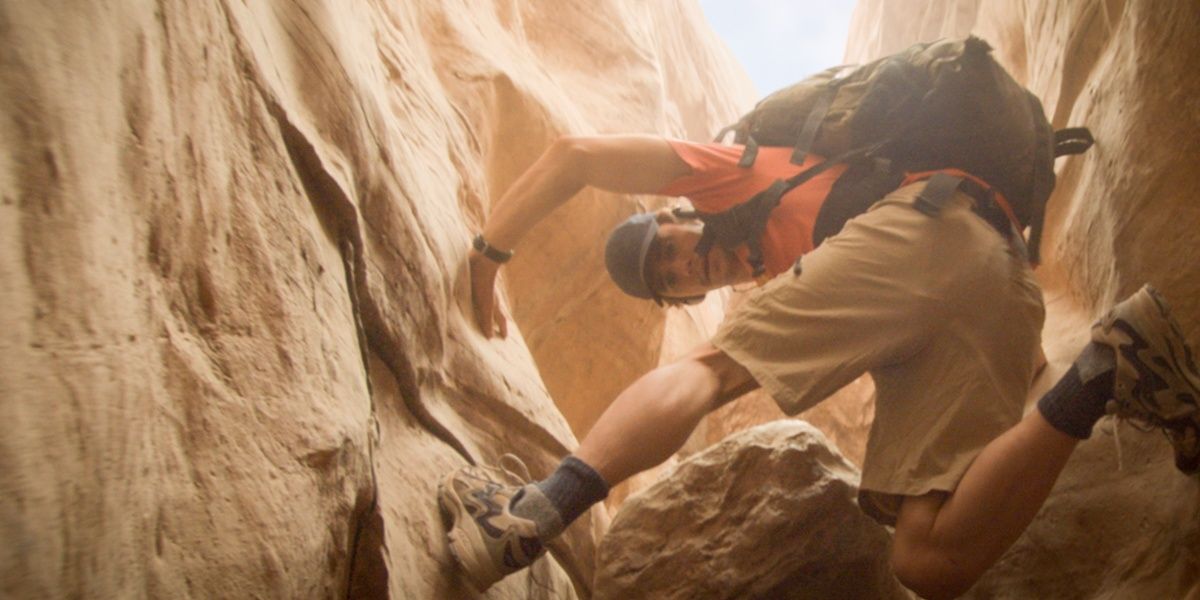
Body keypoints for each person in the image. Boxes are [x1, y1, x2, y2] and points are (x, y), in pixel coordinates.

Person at [442, 135, 1200, 599]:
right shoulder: (800, 279)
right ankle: (1108, 366)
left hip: (930, 219)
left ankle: (532, 513)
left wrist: (489, 252)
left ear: (678, 212)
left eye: (669, 248)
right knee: (928, 561)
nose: (683, 264)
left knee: (714, 368)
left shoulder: (730, 166)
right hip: (998, 272)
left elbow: (574, 155)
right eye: (672, 280)